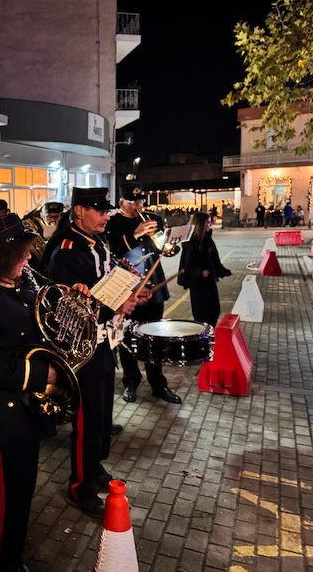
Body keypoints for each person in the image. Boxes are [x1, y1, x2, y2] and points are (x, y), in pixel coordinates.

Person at [0, 213, 81, 572]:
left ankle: (10, 558)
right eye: (22, 255)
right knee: (7, 499)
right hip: (0, 417)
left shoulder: (21, 288)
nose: (29, 260)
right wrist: (44, 373)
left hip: (23, 414)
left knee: (21, 493)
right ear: (1, 257)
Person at [47, 187, 141, 519]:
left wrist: (127, 287)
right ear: (78, 212)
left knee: (101, 413)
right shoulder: (69, 250)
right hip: (82, 345)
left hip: (102, 340)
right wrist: (119, 305)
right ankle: (79, 485)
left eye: (106, 211)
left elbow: (103, 285)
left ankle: (94, 467)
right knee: (87, 420)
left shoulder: (94, 243)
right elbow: (75, 308)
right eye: (99, 211)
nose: (105, 216)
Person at [106, 184, 181, 405]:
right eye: (133, 201)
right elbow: (112, 251)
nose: (139, 205)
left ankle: (158, 384)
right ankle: (131, 382)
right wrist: (136, 233)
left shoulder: (152, 218)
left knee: (154, 335)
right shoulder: (112, 222)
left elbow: (160, 249)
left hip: (153, 283)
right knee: (126, 337)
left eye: (140, 201)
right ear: (121, 203)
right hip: (126, 289)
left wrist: (163, 242)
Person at [178, 213, 228, 326]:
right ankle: (204, 339)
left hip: (209, 281)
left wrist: (223, 271)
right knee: (203, 316)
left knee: (214, 311)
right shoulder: (192, 242)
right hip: (198, 284)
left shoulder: (207, 239)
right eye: (208, 222)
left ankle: (210, 336)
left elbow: (214, 259)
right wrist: (200, 272)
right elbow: (187, 265)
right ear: (200, 224)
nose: (210, 225)